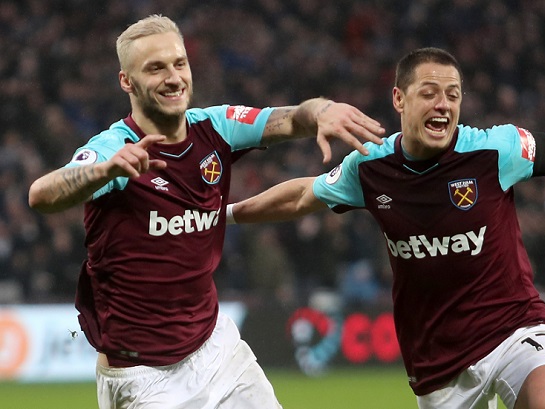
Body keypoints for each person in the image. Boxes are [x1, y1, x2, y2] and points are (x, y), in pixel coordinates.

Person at [227, 47, 545, 409]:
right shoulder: (369, 168)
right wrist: (224, 215)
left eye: (453, 94)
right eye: (429, 92)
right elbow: (303, 195)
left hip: (515, 328)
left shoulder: (493, 150)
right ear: (399, 98)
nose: (444, 104)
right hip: (437, 358)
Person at [27, 14, 384, 409]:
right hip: (144, 375)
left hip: (216, 349)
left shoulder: (215, 127)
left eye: (179, 63)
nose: (173, 77)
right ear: (126, 81)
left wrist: (322, 110)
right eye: (155, 68)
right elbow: (41, 195)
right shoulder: (115, 147)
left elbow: (290, 117)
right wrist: (105, 170)